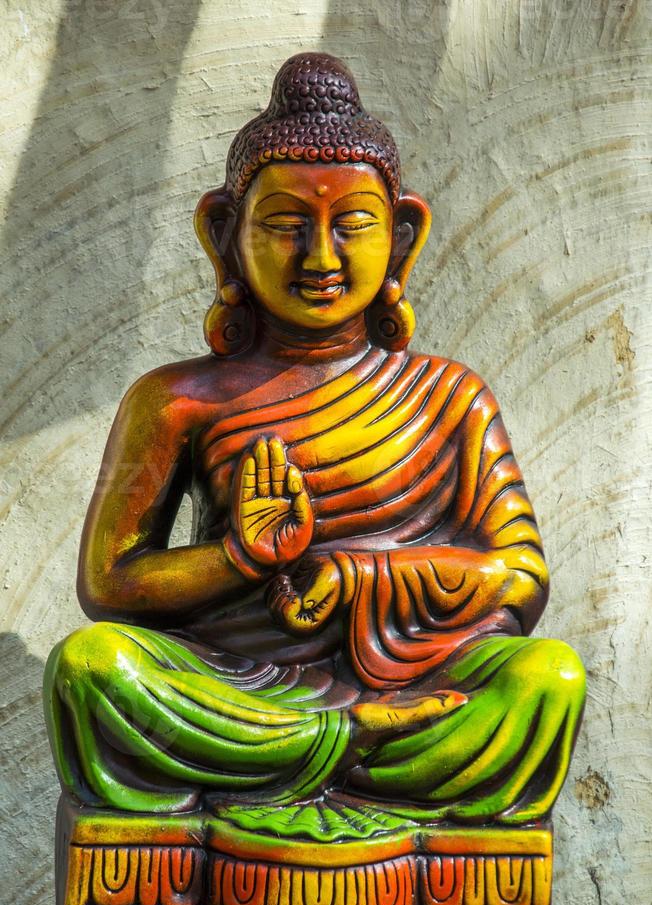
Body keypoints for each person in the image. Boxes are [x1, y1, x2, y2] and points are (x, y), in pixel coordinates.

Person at [44, 53, 585, 825]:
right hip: (235, 685)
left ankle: (326, 748)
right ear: (225, 233)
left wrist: (356, 578)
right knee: (92, 668)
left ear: (402, 236)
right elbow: (110, 586)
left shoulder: (449, 395)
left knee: (548, 679)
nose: (321, 258)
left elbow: (520, 578)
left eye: (352, 226)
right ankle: (338, 742)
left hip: (414, 682)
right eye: (287, 225)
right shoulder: (175, 400)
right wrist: (241, 560)